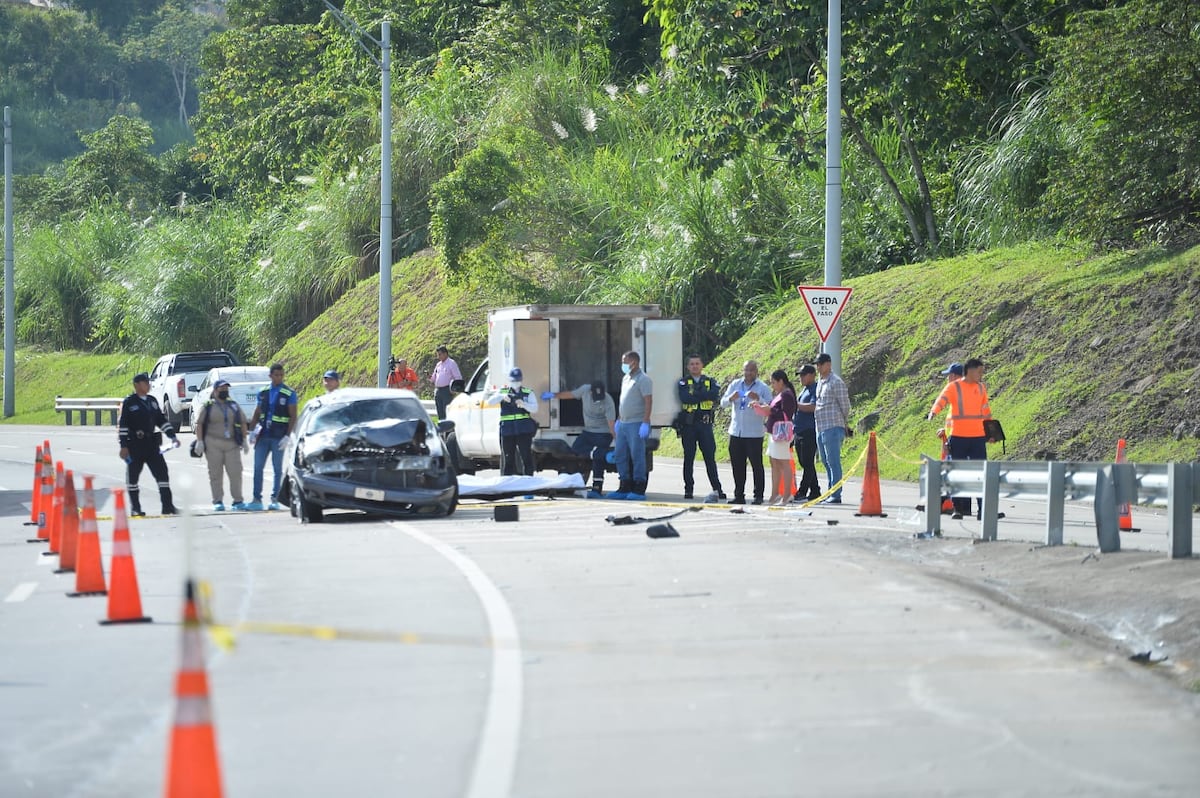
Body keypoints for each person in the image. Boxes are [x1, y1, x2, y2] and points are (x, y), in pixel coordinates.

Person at [928, 357, 995, 520]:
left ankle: (982, 510)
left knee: (980, 474)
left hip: (977, 437)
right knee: (957, 473)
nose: (980, 374)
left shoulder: (980, 388)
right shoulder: (954, 386)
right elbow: (942, 400)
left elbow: (986, 410)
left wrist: (991, 433)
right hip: (958, 436)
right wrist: (933, 412)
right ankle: (958, 509)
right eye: (978, 371)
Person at [118, 372, 181, 516]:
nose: (148, 385)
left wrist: (172, 436)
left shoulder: (152, 401)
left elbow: (161, 420)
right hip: (134, 445)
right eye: (145, 382)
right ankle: (136, 508)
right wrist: (123, 446)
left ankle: (168, 506)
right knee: (133, 478)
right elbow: (123, 425)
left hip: (151, 444)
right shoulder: (129, 402)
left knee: (162, 474)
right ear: (137, 385)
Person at [543, 381, 615, 497]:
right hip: (588, 432)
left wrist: (617, 441)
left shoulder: (608, 400)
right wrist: (553, 395)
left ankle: (597, 488)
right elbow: (570, 394)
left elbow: (611, 424)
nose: (598, 399)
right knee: (576, 448)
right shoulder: (585, 390)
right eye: (595, 397)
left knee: (598, 461)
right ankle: (595, 454)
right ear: (590, 391)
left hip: (603, 432)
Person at [192, 379, 249, 511]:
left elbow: (243, 421)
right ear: (215, 390)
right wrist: (200, 441)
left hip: (232, 444)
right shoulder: (208, 406)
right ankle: (218, 500)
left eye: (226, 389)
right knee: (215, 474)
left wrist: (245, 440)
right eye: (221, 389)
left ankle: (238, 500)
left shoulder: (233, 405)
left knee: (235, 472)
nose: (224, 391)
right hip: (213, 444)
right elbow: (199, 424)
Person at [247, 363, 298, 511]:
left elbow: (293, 416)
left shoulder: (289, 393)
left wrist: (288, 436)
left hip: (279, 436)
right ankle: (256, 499)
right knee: (257, 467)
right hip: (263, 436)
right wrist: (251, 432)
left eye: (281, 375)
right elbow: (257, 413)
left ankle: (275, 499)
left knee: (277, 469)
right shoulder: (263, 392)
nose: (279, 377)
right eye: (276, 375)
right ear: (270, 376)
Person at [676, 355, 726, 502]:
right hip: (689, 425)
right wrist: (703, 396)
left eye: (697, 363)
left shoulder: (710, 382)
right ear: (688, 367)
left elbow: (714, 395)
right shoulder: (683, 382)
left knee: (710, 458)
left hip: (705, 425)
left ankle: (717, 489)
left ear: (702, 365)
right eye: (692, 364)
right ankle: (688, 489)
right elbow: (685, 398)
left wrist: (697, 395)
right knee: (689, 458)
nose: (695, 366)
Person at [720, 360, 770, 504]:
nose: (748, 373)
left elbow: (770, 406)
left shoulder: (762, 387)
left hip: (754, 433)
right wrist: (731, 398)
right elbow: (723, 403)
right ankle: (739, 495)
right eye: (746, 370)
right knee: (737, 465)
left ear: (757, 371)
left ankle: (758, 495)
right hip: (736, 432)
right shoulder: (735, 384)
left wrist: (758, 399)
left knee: (756, 466)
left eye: (751, 370)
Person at [610, 351, 653, 500]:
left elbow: (648, 401)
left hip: (636, 423)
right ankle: (624, 486)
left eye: (625, 361)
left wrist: (645, 422)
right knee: (621, 455)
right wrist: (618, 420)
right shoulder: (625, 378)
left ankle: (639, 487)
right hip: (623, 423)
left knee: (637, 455)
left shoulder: (643, 379)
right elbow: (623, 401)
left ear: (634, 362)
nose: (623, 364)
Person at [752, 370, 799, 506]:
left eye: (773, 382)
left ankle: (787, 494)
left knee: (784, 463)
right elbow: (770, 411)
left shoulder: (787, 395)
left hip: (782, 434)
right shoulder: (779, 395)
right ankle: (775, 494)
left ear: (781, 381)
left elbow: (786, 415)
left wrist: (770, 410)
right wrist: (758, 407)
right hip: (774, 432)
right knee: (775, 463)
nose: (772, 385)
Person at [485, 367, 539, 475]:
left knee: (526, 458)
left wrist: (524, 404)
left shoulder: (527, 393)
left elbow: (535, 408)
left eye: (517, 380)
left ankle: (529, 485)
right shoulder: (503, 391)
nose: (515, 383)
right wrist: (502, 397)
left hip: (523, 431)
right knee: (508, 459)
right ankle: (508, 485)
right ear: (509, 381)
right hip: (508, 431)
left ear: (521, 380)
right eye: (513, 381)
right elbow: (489, 402)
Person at [814, 352, 852, 504]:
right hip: (821, 426)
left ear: (828, 364)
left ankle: (836, 494)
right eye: (817, 364)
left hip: (833, 426)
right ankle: (830, 491)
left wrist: (841, 421)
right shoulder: (821, 381)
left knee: (833, 461)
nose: (818, 367)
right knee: (825, 460)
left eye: (820, 364)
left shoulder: (836, 382)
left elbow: (845, 405)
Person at [792, 364, 821, 501]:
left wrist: (796, 405)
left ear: (811, 375)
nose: (801, 378)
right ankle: (815, 490)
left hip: (809, 430)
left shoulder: (815, 389)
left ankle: (803, 490)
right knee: (804, 462)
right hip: (799, 430)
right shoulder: (804, 390)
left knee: (808, 462)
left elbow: (813, 407)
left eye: (803, 375)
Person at [431, 346, 462, 419]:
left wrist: (455, 390)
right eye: (437, 355)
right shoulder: (438, 365)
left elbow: (458, 377)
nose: (438, 356)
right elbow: (434, 377)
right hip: (438, 390)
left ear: (445, 354)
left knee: (447, 411)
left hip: (447, 390)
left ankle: (449, 429)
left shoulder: (451, 363)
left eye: (440, 354)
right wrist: (430, 377)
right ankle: (442, 428)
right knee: (440, 411)